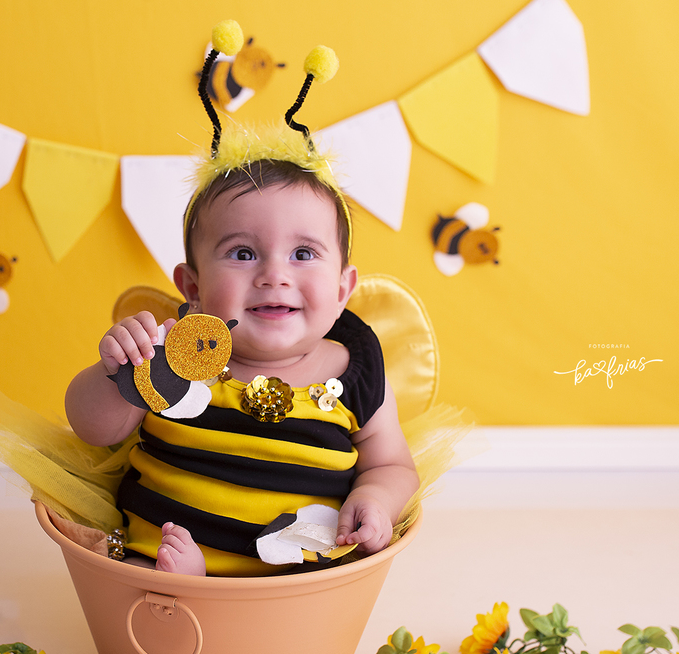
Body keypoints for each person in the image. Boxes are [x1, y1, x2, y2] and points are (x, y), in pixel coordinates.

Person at [65, 151, 420, 575]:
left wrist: (376, 498)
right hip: (158, 552)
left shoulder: (355, 375)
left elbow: (392, 465)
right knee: (135, 575)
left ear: (343, 289)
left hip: (299, 580)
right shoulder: (174, 354)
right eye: (243, 253)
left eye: (303, 253)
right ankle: (184, 583)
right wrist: (117, 371)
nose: (274, 275)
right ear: (193, 288)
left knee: (326, 582)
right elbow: (94, 430)